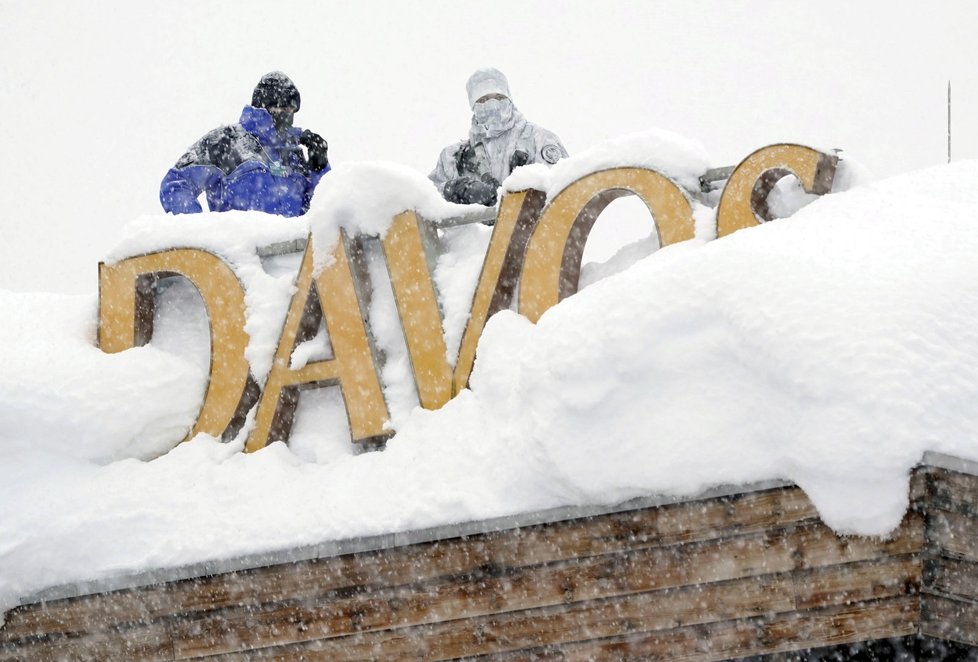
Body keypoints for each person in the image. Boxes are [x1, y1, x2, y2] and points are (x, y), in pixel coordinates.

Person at [160, 72, 330, 217]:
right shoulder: (226, 141)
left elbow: (321, 211)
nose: (288, 116)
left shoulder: (293, 154)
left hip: (292, 253)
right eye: (282, 109)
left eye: (291, 111)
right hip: (242, 252)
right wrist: (201, 236)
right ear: (265, 106)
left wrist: (319, 167)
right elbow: (175, 184)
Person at [430, 68, 567, 206]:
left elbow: (564, 188)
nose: (492, 104)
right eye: (483, 100)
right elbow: (426, 198)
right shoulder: (453, 158)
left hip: (533, 226)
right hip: (476, 227)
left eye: (499, 97)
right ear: (473, 105)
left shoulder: (538, 139)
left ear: (509, 99)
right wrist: (456, 190)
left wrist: (525, 188)